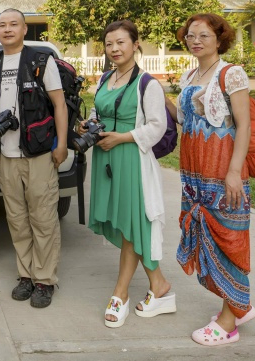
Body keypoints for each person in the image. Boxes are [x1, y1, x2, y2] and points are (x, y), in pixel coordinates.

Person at [86, 20, 175, 328]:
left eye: (121, 42)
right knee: (124, 223)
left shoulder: (147, 83)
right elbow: (97, 112)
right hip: (106, 158)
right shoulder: (105, 78)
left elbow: (156, 126)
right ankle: (160, 284)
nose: (115, 49)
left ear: (136, 44)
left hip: (132, 159)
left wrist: (120, 137)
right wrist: (89, 125)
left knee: (131, 224)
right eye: (110, 44)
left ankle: (120, 294)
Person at [175, 13, 254, 347]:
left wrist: (234, 172)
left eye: (204, 35)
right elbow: (183, 122)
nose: (196, 40)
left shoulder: (231, 73)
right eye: (191, 35)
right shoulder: (189, 74)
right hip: (195, 174)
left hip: (222, 172)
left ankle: (228, 323)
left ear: (220, 39)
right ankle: (240, 306)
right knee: (205, 237)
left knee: (228, 242)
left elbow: (244, 125)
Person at [0, 9, 68, 309]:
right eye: (2, 25)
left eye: (13, 24)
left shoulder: (40, 61)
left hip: (39, 153)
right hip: (6, 156)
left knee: (43, 218)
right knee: (17, 220)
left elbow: (59, 104)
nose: (7, 29)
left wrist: (61, 145)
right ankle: (26, 275)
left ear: (24, 29)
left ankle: (45, 280)